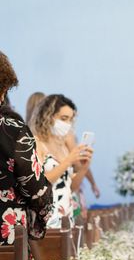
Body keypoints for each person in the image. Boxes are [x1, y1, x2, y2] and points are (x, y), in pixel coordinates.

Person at [0, 52, 53, 245]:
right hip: (5, 233)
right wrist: (42, 217)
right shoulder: (12, 129)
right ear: (4, 89)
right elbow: (35, 189)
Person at [31, 95, 93, 228]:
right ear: (47, 116)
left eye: (70, 120)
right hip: (47, 215)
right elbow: (39, 184)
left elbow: (70, 187)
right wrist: (68, 161)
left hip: (66, 213)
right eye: (63, 118)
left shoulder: (63, 146)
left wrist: (83, 168)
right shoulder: (37, 143)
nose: (67, 124)